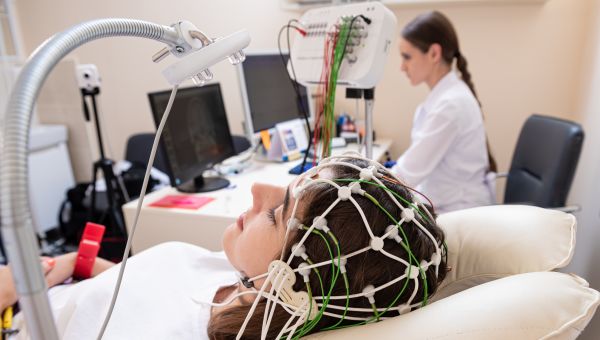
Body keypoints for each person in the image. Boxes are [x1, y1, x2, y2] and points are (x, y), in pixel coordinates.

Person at [1, 156, 448, 339]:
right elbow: (135, 288)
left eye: (278, 214)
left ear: (290, 279)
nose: (258, 191)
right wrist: (69, 263)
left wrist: (17, 294)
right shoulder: (240, 284)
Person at [388, 11, 497, 213]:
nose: (402, 67)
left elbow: (406, 175)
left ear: (434, 54)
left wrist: (359, 178)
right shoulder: (446, 97)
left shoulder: (450, 105)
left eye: (407, 57)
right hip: (445, 204)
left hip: (459, 214)